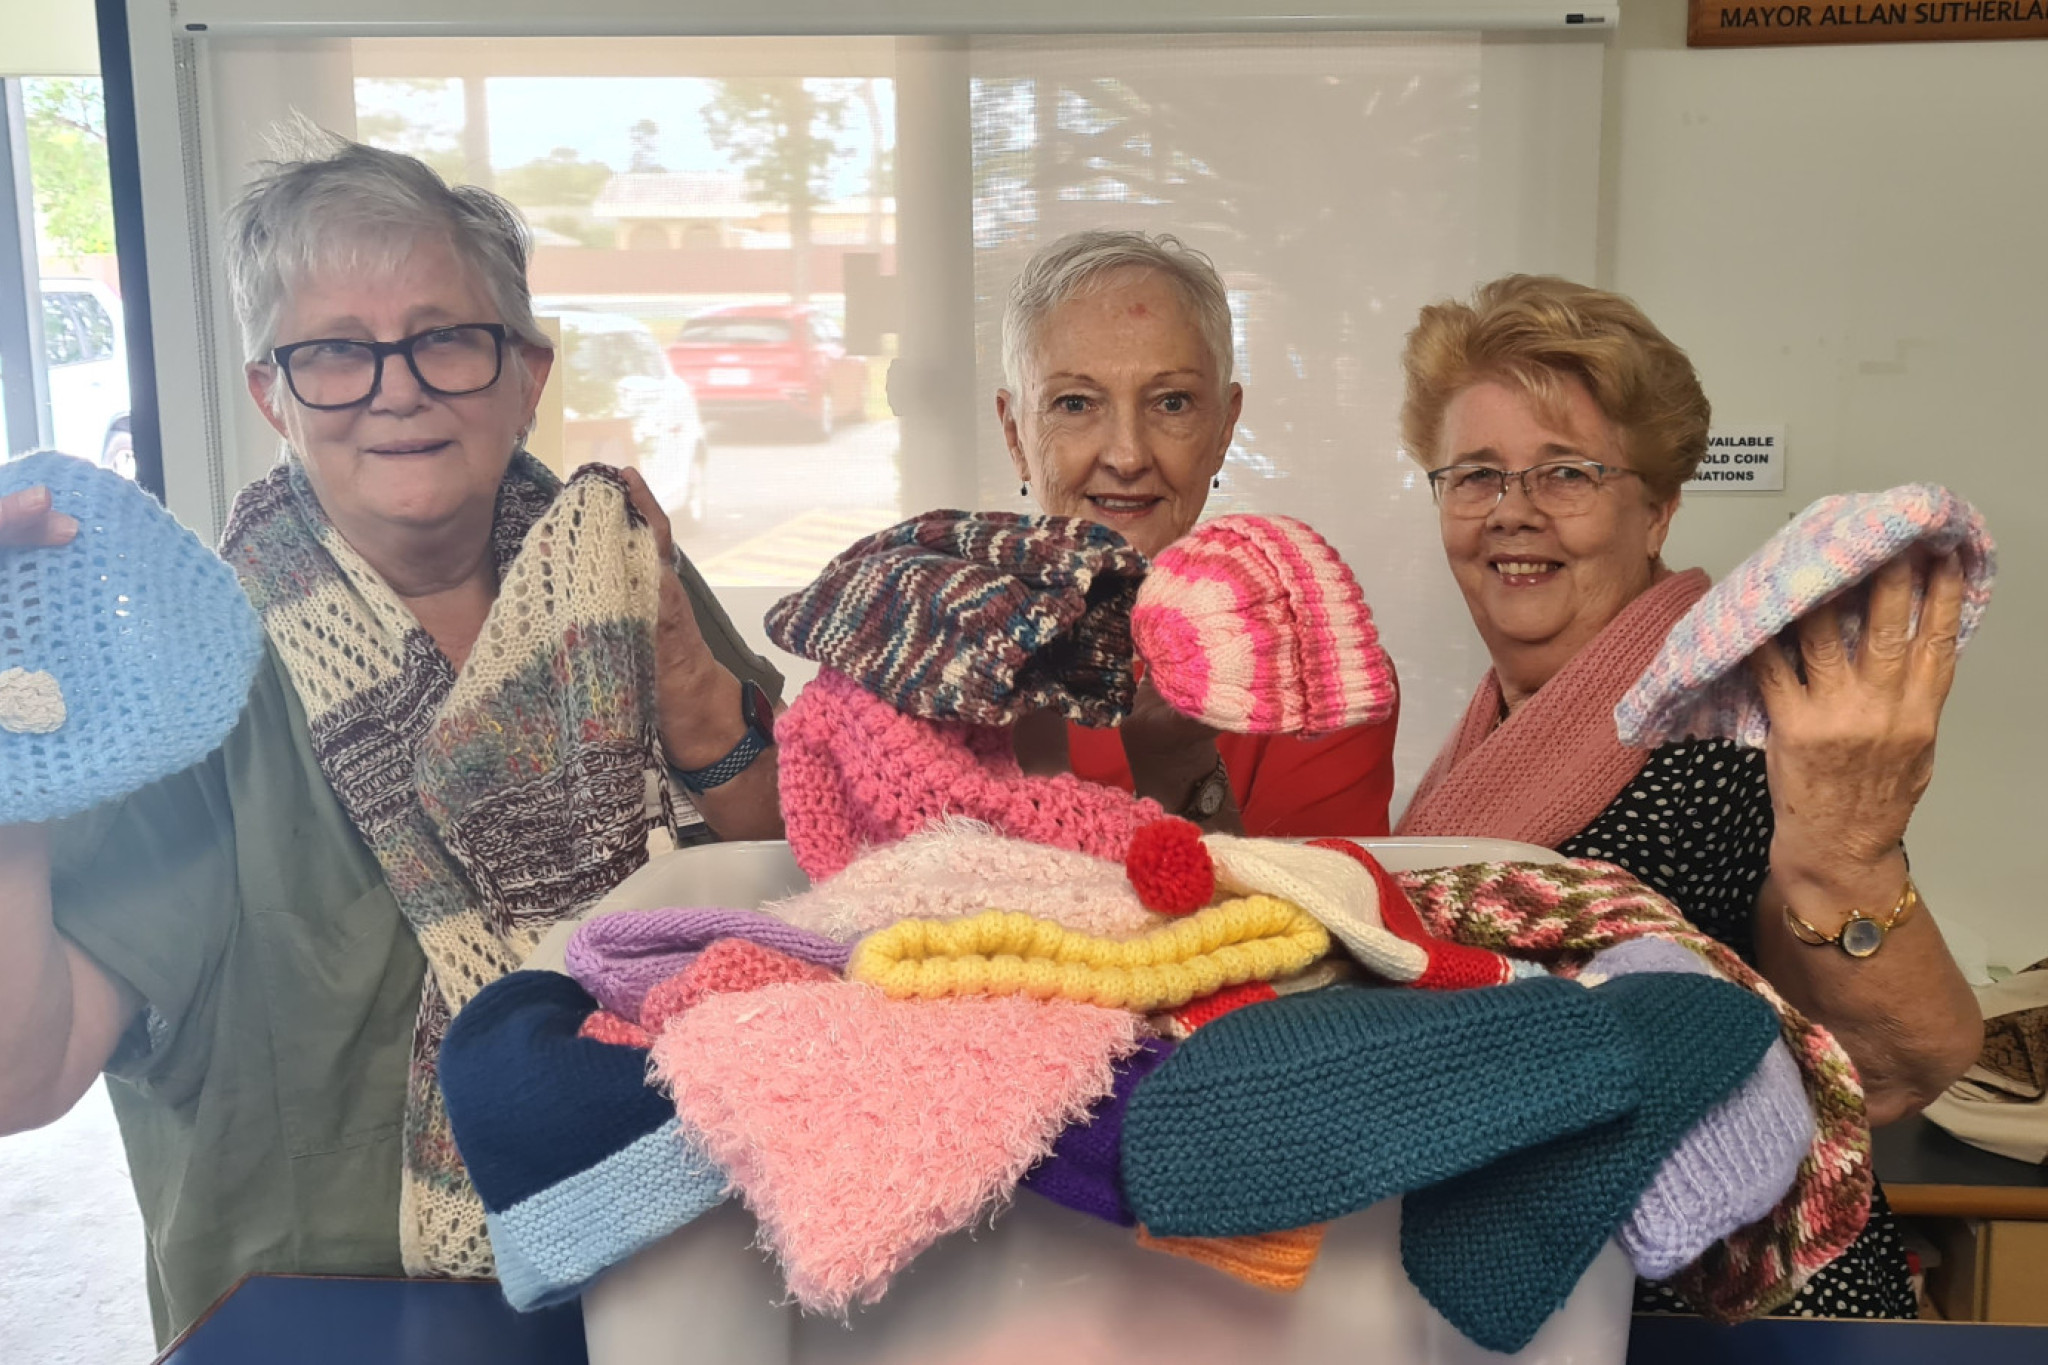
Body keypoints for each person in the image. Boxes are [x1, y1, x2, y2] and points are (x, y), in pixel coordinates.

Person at [0, 134, 785, 1344]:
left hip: (687, 1274)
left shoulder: (626, 578)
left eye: (445, 339)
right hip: (328, 1322)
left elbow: (807, 895)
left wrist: (698, 706)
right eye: (333, 353)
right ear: (272, 394)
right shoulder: (185, 680)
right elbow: (25, 1074)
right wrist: (11, 774)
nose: (396, 386)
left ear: (524, 373)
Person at [1394, 273, 1983, 1317]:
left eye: (1565, 473)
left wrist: (1846, 855)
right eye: (1473, 474)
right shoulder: (1484, 736)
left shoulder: (1721, 725)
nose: (1511, 512)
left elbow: (1890, 1066)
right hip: (1561, 1302)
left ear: (1657, 506)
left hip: (1730, 1319)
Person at [996, 229, 1398, 837]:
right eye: (1076, 404)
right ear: (1015, 436)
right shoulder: (926, 647)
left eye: (1172, 402)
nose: (1127, 455)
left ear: (1224, 429)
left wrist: (1178, 765)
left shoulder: (1316, 664)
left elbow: (1326, 928)